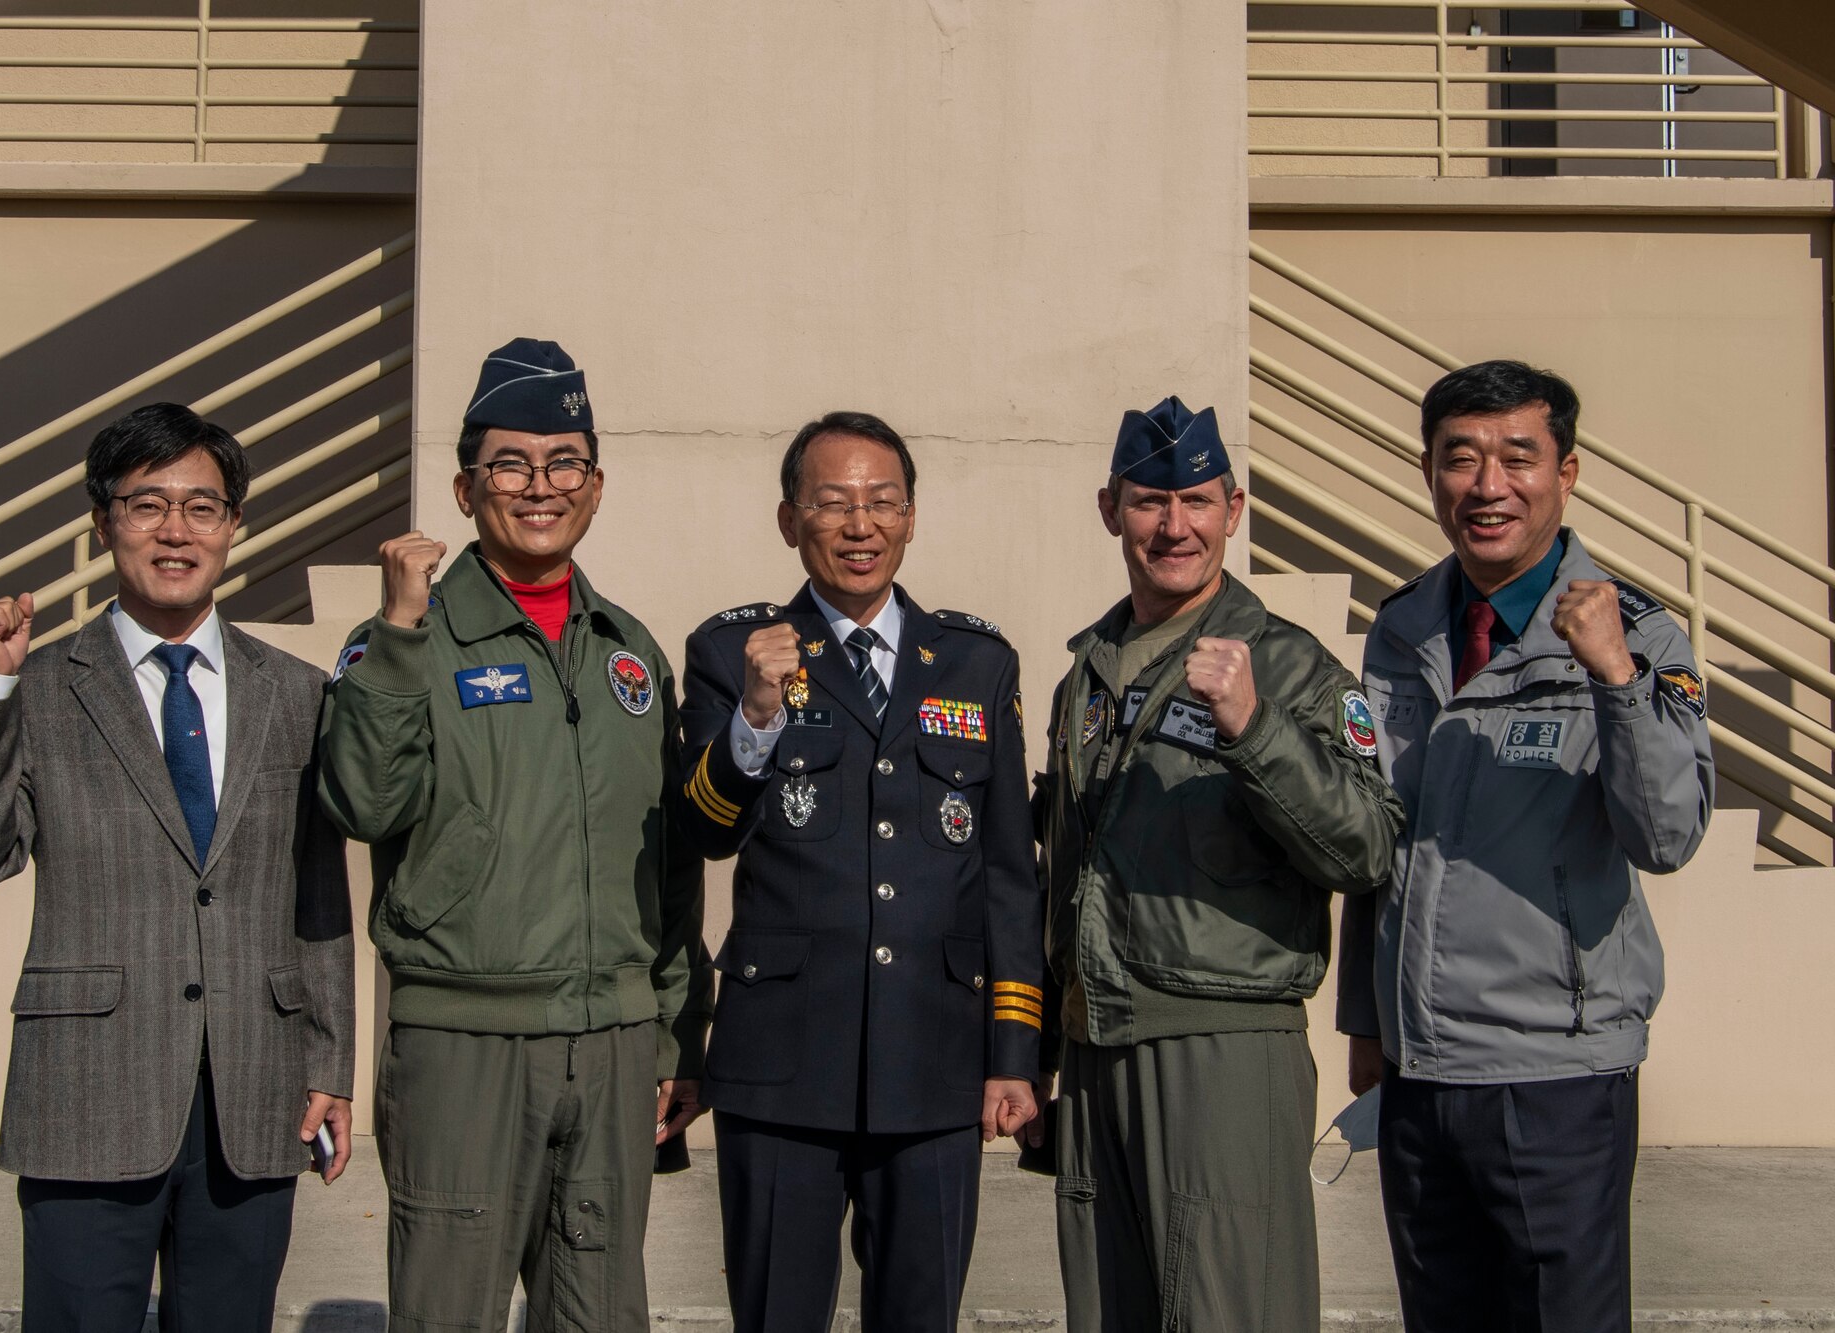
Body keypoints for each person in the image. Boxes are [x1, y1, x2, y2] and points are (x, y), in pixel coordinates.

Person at [0, 402, 356, 1333]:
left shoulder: (296, 692)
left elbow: (319, 891)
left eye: (202, 507)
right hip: (88, 1088)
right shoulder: (38, 684)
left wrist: (331, 1061)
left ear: (234, 525)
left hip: (253, 1089)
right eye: (146, 503)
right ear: (103, 521)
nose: (175, 530)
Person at [315, 338, 708, 1333]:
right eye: (509, 464)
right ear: (463, 486)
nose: (540, 486)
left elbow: (665, 861)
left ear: (595, 483)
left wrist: (666, 1025)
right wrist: (400, 638)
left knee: (600, 1314)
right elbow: (361, 802)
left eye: (563, 461)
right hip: (465, 1043)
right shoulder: (405, 641)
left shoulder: (628, 652)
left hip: (613, 1046)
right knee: (448, 1313)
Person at [1337, 360, 1714, 1333]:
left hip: (1555, 1078)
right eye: (1459, 457)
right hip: (1419, 1076)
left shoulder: (1635, 633)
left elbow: (1666, 833)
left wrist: (1616, 682)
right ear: (1427, 473)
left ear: (1566, 470)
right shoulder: (1402, 626)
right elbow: (1377, 833)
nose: (1486, 483)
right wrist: (1364, 1023)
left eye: (1516, 455)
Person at [1031, 395, 1403, 1332]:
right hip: (1096, 1043)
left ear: (1233, 511)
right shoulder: (1091, 669)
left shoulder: (1289, 669)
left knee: (1233, 1311)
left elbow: (1365, 846)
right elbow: (1065, 868)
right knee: (1108, 1310)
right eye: (1151, 501)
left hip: (1224, 1041)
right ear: (1110, 508)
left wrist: (1254, 729)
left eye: (1197, 501)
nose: (1175, 526)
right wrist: (1038, 1050)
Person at [675, 410, 1043, 1333]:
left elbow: (1007, 871)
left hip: (935, 1062)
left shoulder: (976, 661)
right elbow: (703, 827)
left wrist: (1012, 1053)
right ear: (789, 520)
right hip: (782, 1063)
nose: (859, 524)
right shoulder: (733, 651)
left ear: (912, 517)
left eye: (882, 502)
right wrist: (754, 720)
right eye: (832, 503)